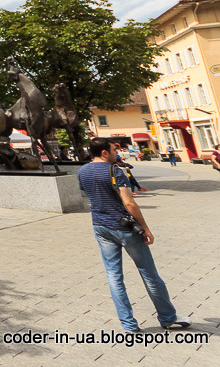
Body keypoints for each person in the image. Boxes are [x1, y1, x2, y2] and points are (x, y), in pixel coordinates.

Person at [77, 137, 191, 332]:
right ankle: (168, 317)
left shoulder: (82, 171)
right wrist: (145, 228)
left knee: (114, 276)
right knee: (149, 274)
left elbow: (91, 194)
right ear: (104, 152)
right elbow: (129, 203)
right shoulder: (115, 171)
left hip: (100, 227)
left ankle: (129, 324)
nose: (117, 153)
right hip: (124, 228)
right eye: (114, 150)